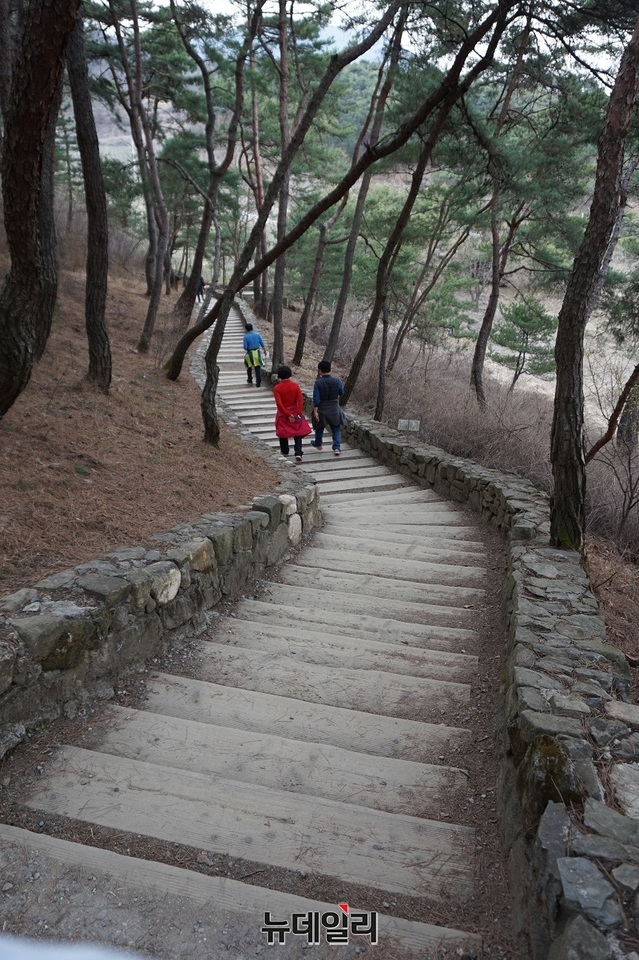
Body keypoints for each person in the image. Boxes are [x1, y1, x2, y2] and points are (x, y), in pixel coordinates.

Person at [273, 365, 312, 462]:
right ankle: (298, 452)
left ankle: (285, 451)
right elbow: (300, 399)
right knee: (298, 432)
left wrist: (287, 414)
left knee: (282, 431)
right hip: (295, 411)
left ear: (279, 375)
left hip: (283, 413)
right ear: (290, 374)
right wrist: (296, 413)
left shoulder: (277, 388)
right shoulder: (295, 386)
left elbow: (279, 403)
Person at [311, 359, 345, 455]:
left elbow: (316, 399)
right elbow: (342, 392)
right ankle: (337, 448)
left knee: (319, 426)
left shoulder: (318, 383)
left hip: (322, 407)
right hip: (334, 407)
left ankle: (318, 443)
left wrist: (315, 411)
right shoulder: (337, 381)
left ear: (320, 370)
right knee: (336, 428)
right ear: (330, 369)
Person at [243, 322, 267, 386]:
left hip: (250, 353)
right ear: (252, 328)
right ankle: (258, 382)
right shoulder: (257, 335)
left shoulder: (246, 337)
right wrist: (264, 350)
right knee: (257, 368)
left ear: (246, 329)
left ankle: (250, 379)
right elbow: (262, 343)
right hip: (257, 353)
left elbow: (245, 347)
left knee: (249, 366)